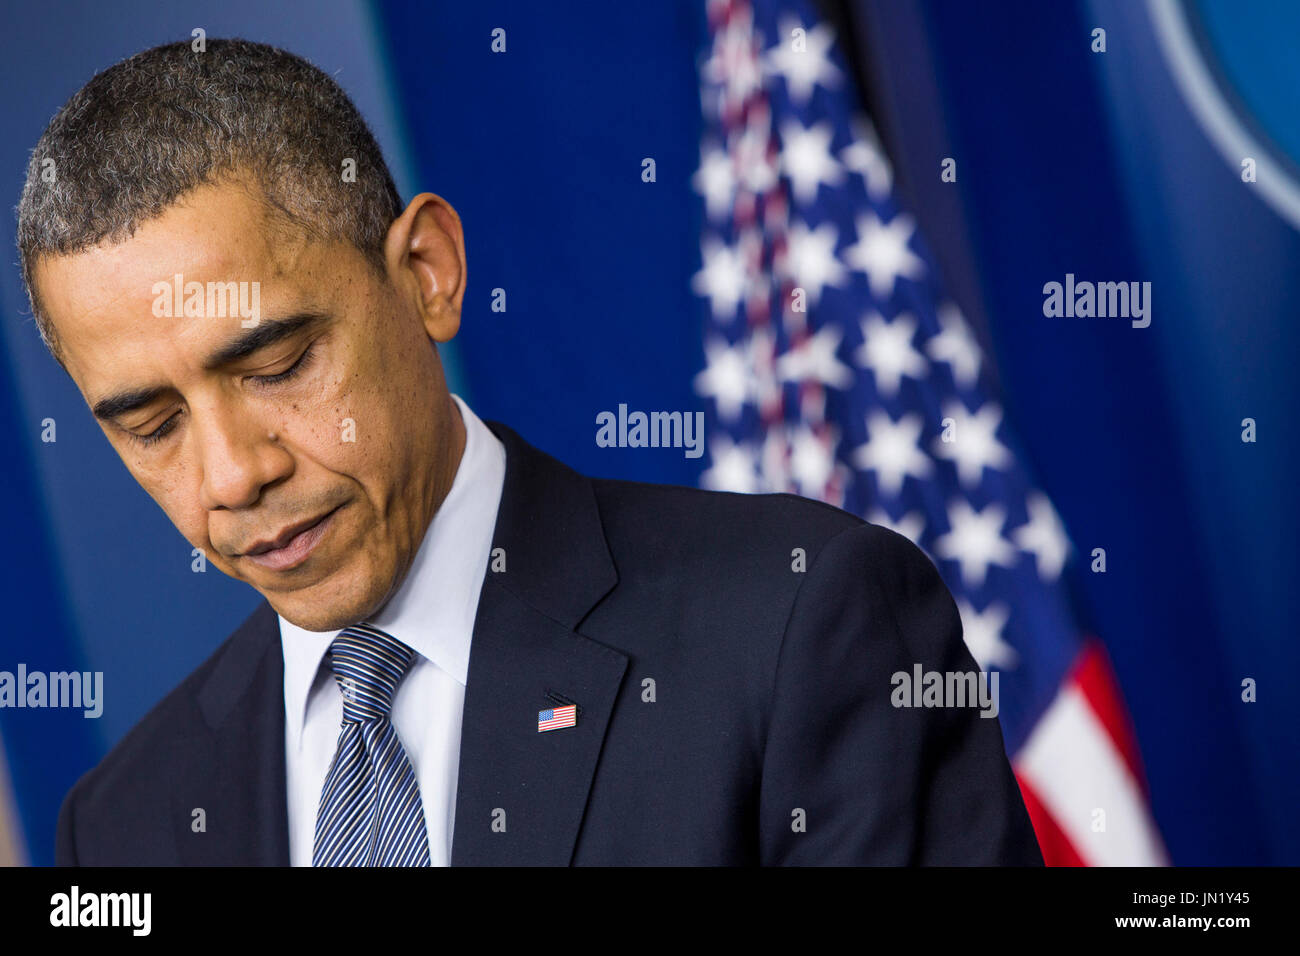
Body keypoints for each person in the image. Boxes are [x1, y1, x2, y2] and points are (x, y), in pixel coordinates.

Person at [19, 38, 1042, 866]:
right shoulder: (121, 824)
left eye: (280, 363)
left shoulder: (802, 623)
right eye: (151, 426)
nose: (234, 473)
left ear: (428, 272)